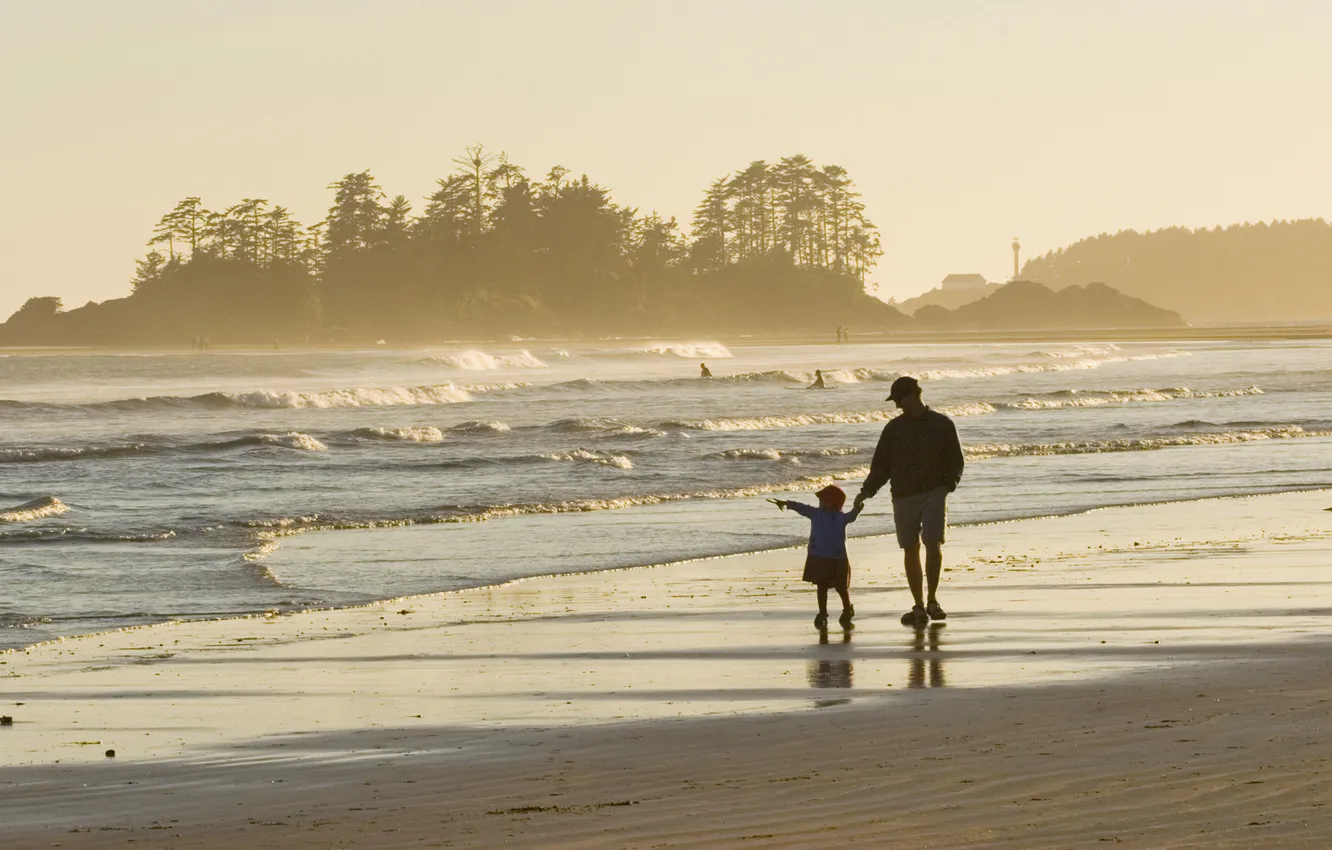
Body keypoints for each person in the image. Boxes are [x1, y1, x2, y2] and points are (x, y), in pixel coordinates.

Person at [853, 376, 964, 627]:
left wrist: (947, 486)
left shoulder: (942, 424)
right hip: (902, 495)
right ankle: (918, 605)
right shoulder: (893, 429)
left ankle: (933, 600)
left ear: (911, 395)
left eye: (899, 400)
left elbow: (956, 461)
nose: (897, 406)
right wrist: (866, 491)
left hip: (935, 492)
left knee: (933, 542)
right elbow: (881, 466)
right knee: (910, 547)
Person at [770, 485, 862, 629]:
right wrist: (787, 503)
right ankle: (822, 613)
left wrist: (857, 508)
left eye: (822, 500)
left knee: (841, 588)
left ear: (830, 502)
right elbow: (801, 507)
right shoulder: (815, 513)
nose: (819, 503)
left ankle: (847, 609)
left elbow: (852, 517)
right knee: (821, 586)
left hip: (838, 558)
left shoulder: (841, 517)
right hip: (819, 556)